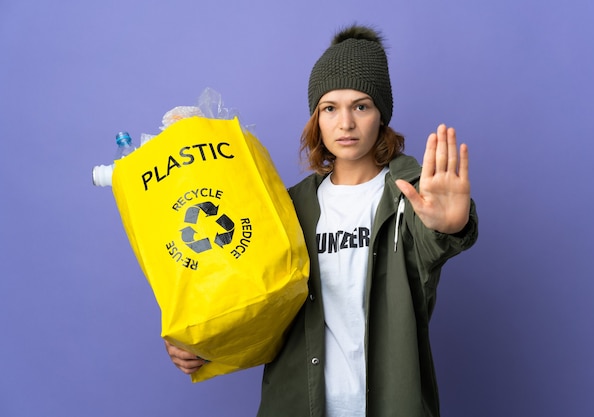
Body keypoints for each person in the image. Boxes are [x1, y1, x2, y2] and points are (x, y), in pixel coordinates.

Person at [165, 24, 478, 417]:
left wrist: (447, 227)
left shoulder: (410, 196)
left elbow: (432, 245)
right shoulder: (289, 207)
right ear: (317, 116)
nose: (345, 123)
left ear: (381, 114)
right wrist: (197, 340)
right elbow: (243, 294)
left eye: (361, 106)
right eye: (330, 108)